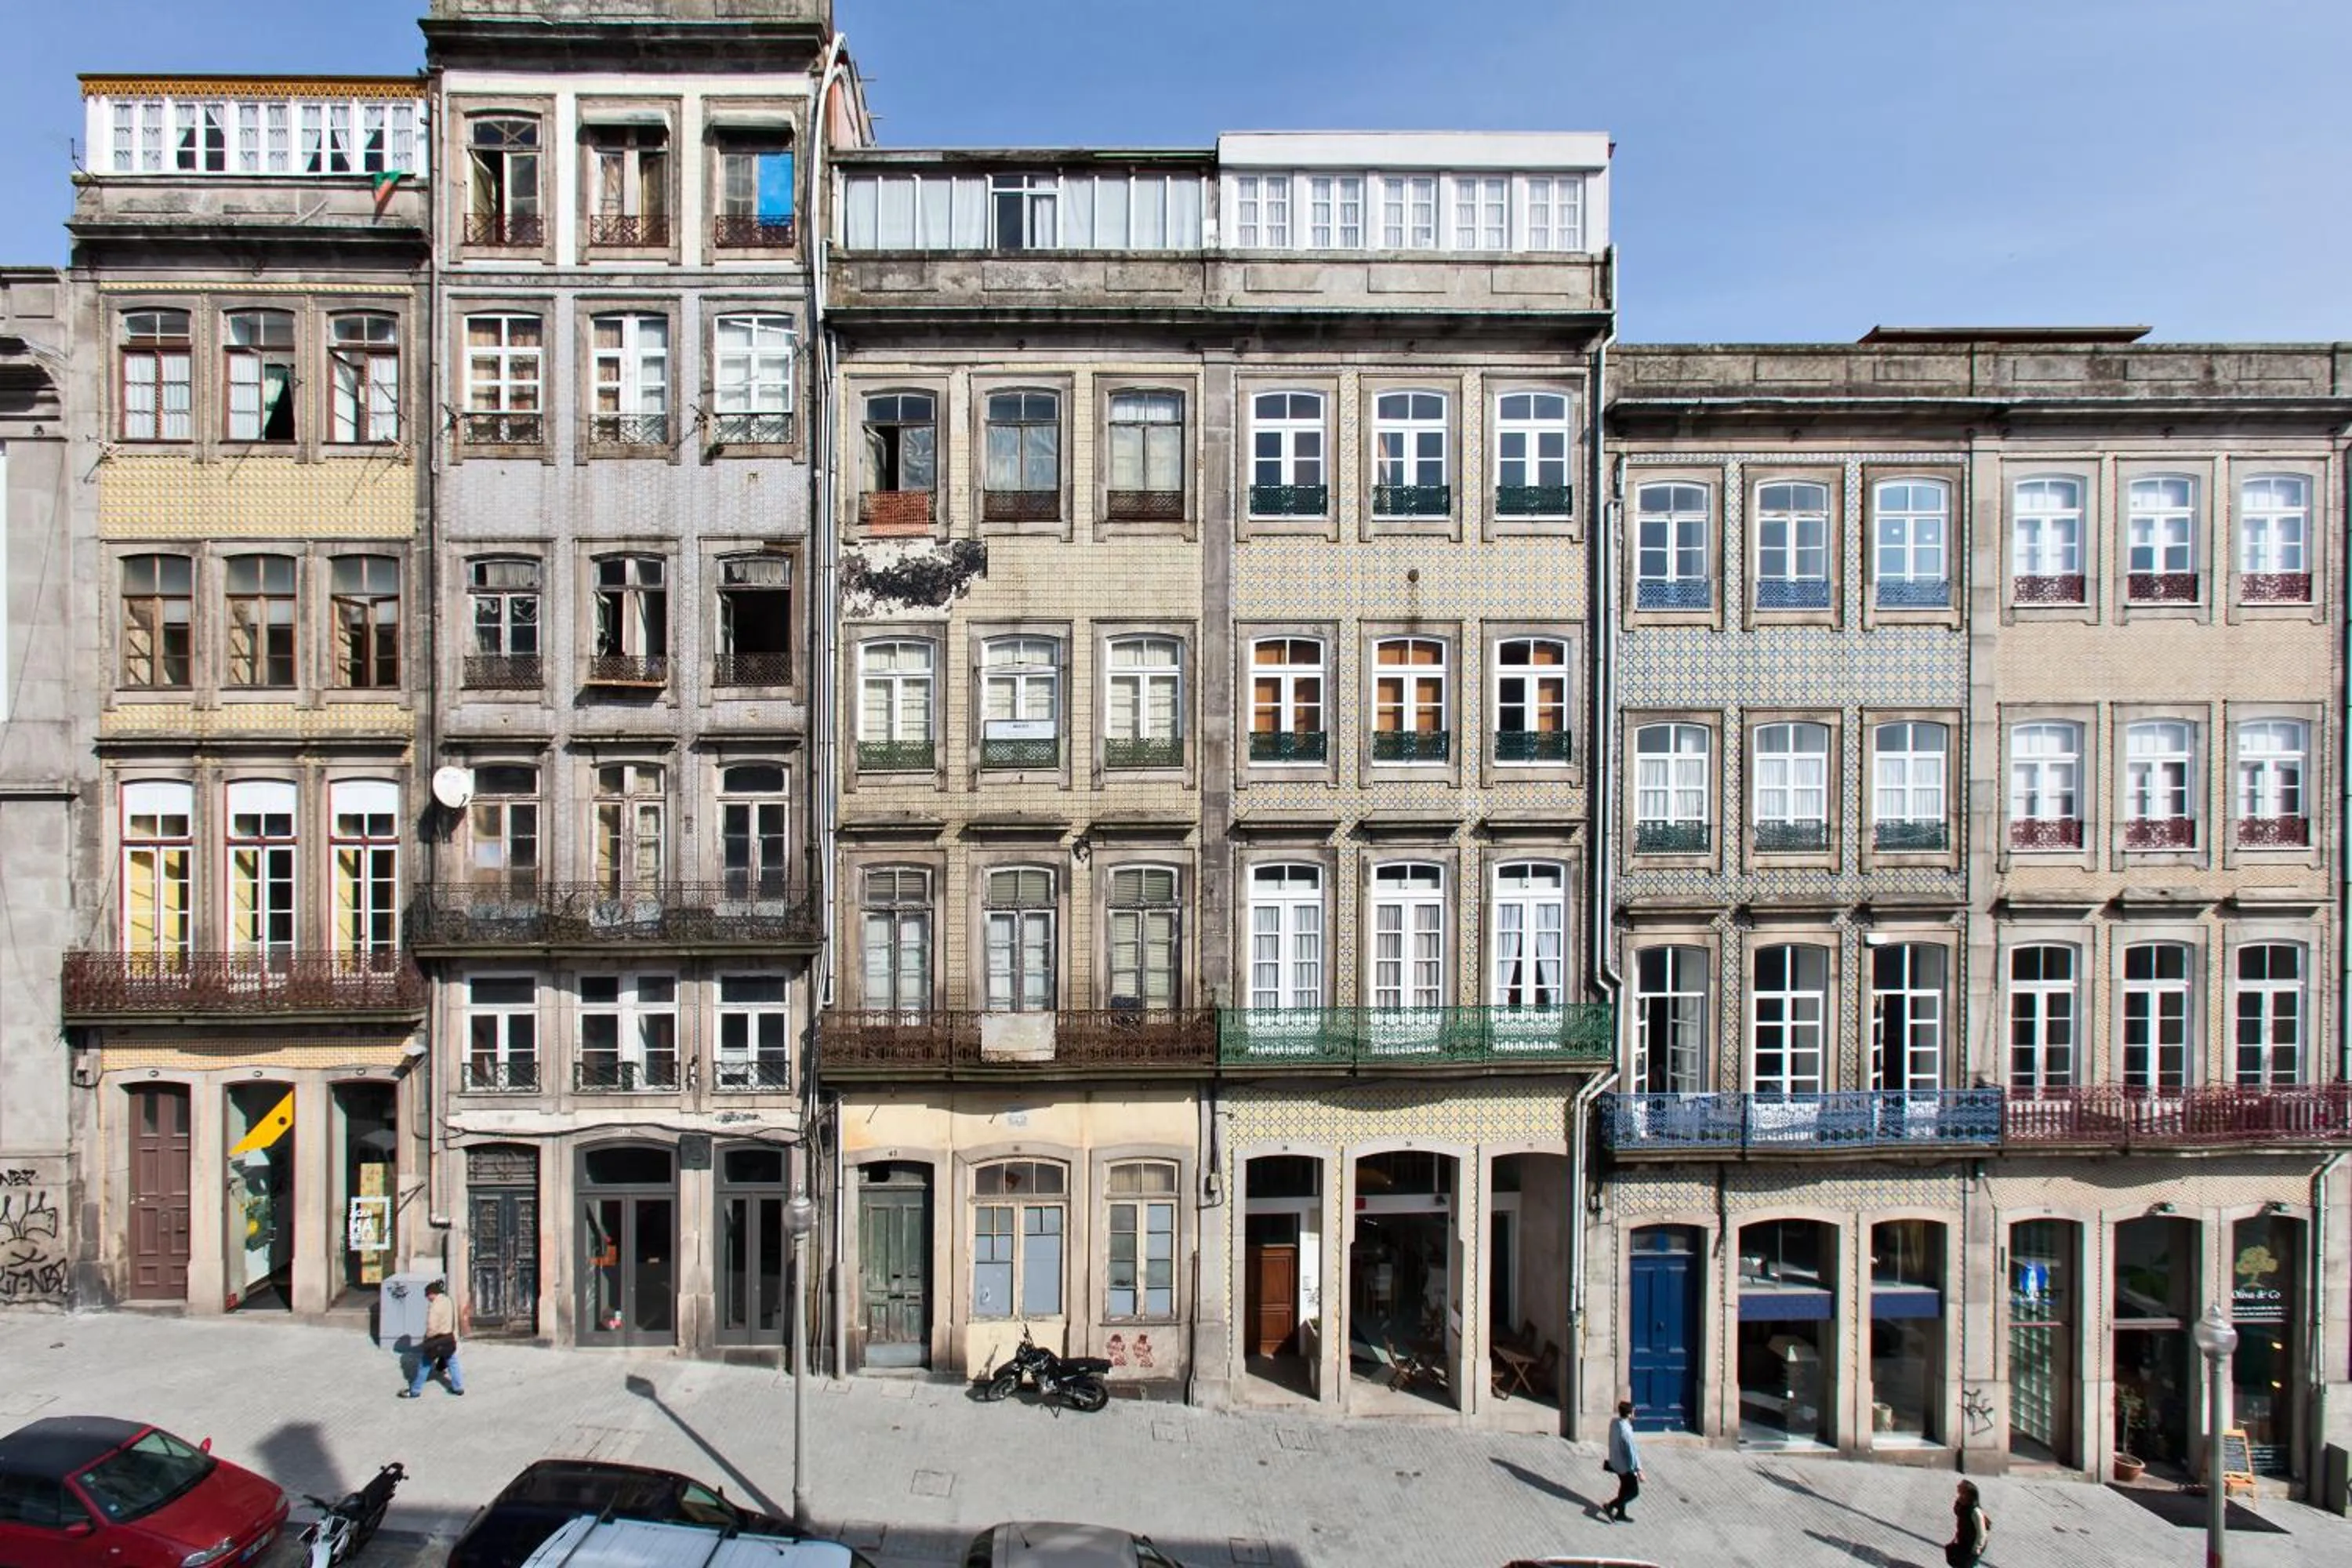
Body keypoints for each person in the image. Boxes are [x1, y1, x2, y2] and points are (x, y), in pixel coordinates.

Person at [401, 1279, 465, 1398]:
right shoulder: (449, 1301)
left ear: (432, 1293)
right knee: (453, 1361)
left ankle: (415, 1390)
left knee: (424, 1364)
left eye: (427, 1295)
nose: (427, 1298)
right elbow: (454, 1320)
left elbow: (431, 1326)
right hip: (449, 1337)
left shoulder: (435, 1305)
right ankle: (458, 1387)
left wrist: (427, 1339)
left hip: (437, 1339)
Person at [1603, 1399, 1642, 1522]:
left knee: (1624, 1487)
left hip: (1615, 1461)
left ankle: (1621, 1513)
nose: (1634, 1414)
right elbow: (1632, 1453)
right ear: (1629, 1414)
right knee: (1633, 1492)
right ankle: (1611, 1505)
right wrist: (1638, 1471)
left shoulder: (1615, 1423)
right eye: (1633, 1412)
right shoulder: (1627, 1432)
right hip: (1625, 1466)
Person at [1946, 1479, 1990, 1567]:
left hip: (1973, 1544)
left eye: (1962, 1493)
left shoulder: (1975, 1511)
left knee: (1969, 1565)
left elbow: (1982, 1534)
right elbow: (1957, 1511)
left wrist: (1976, 1549)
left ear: (1968, 1495)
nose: (1959, 1496)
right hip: (1964, 1541)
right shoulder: (1963, 1504)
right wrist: (1958, 1501)